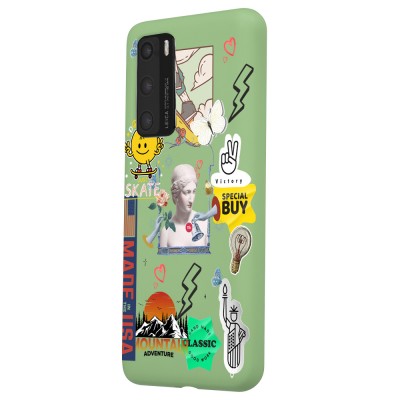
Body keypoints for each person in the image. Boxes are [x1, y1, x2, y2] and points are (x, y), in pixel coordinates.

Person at [160, 164, 208, 247]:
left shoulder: (204, 224)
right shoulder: (166, 232)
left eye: (194, 192)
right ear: (176, 194)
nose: (191, 199)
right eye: (187, 192)